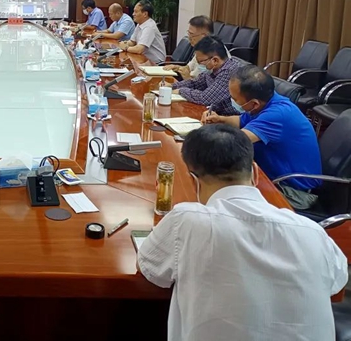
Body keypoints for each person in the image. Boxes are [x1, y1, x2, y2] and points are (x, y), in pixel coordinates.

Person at [138, 124, 347, 341]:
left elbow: (150, 267)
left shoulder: (187, 220)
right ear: (255, 173)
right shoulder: (312, 231)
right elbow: (337, 283)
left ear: (193, 180)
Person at [203, 65, 323, 210]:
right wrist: (220, 119)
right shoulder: (267, 102)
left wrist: (200, 136)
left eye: (235, 99)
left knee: (222, 196)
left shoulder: (277, 114)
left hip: (292, 191)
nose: (232, 101)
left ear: (254, 104)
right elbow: (241, 120)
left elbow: (234, 142)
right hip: (271, 177)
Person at [173, 36, 242, 115]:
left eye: (201, 62)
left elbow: (204, 98)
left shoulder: (229, 72)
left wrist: (181, 91)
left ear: (215, 60)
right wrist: (172, 86)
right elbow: (195, 83)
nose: (199, 65)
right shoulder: (213, 69)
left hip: (230, 118)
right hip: (215, 114)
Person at [164, 15, 215, 80]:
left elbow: (202, 84)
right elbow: (188, 68)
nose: (189, 38)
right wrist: (176, 67)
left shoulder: (213, 52)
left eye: (192, 34)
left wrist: (187, 78)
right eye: (189, 33)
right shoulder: (200, 49)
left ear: (204, 36)